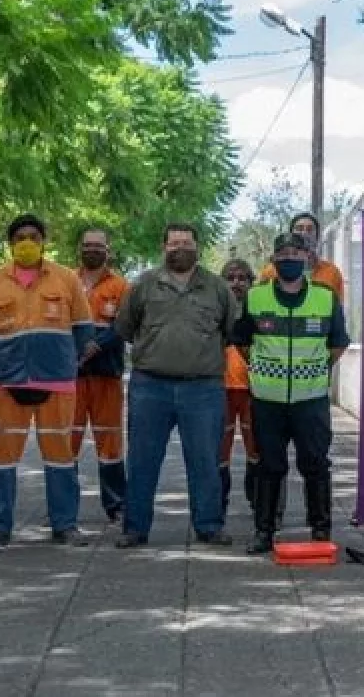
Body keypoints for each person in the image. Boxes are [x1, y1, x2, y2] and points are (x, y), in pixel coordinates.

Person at [0, 214, 93, 549]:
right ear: (11, 244)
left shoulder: (66, 279)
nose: (27, 243)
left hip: (56, 382)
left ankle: (65, 525)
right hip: (7, 382)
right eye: (20, 238)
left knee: (60, 456)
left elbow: (83, 328)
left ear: (43, 242)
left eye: (34, 237)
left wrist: (61, 359)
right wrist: (7, 357)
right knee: (1, 457)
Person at [114, 223, 236, 549]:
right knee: (142, 460)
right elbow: (125, 327)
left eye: (186, 242)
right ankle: (135, 528)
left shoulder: (217, 287)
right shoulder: (144, 284)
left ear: (197, 247)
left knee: (205, 460)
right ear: (164, 247)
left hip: (203, 388)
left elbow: (229, 330)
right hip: (150, 386)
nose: (180, 248)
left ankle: (209, 526)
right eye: (173, 243)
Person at [233, 233, 351, 554]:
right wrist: (261, 367)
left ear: (307, 258)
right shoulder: (256, 297)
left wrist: (316, 368)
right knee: (269, 466)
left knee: (316, 464)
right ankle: (264, 531)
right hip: (267, 401)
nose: (289, 259)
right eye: (283, 253)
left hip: (310, 401)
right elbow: (241, 341)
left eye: (296, 253)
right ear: (273, 260)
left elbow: (338, 343)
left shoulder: (325, 298)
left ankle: (321, 530)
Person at [72, 227, 130, 522]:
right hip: (71, 377)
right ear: (79, 249)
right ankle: (64, 508)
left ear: (108, 251)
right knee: (66, 441)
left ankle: (116, 505)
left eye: (98, 246)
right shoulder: (66, 282)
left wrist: (97, 345)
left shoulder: (121, 286)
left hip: (107, 374)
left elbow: (124, 325)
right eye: (87, 245)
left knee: (110, 441)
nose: (92, 250)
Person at [219, 258, 260, 518]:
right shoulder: (214, 310)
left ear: (250, 282)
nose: (236, 283)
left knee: (256, 451)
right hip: (219, 390)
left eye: (242, 278)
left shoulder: (260, 309)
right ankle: (217, 508)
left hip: (254, 390)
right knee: (218, 453)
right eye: (231, 278)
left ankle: (259, 507)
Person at [258, 212, 346, 299]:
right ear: (290, 235)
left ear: (317, 238)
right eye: (299, 229)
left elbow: (338, 305)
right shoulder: (270, 272)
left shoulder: (332, 273)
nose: (304, 233)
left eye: (309, 229)